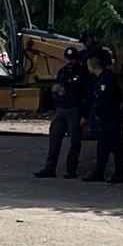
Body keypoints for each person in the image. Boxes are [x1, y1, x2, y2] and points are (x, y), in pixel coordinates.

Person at [34, 46, 87, 178]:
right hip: (61, 109)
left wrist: (85, 115)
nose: (70, 62)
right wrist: (54, 91)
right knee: (54, 138)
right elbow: (58, 87)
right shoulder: (62, 72)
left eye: (72, 59)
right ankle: (50, 168)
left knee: (74, 141)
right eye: (68, 59)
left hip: (75, 109)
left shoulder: (82, 73)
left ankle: (71, 169)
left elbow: (87, 95)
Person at [83, 49, 123, 184]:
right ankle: (98, 171)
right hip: (105, 119)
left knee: (116, 145)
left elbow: (106, 100)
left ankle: (119, 173)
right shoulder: (100, 79)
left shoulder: (106, 78)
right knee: (102, 146)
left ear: (92, 64)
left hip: (112, 118)